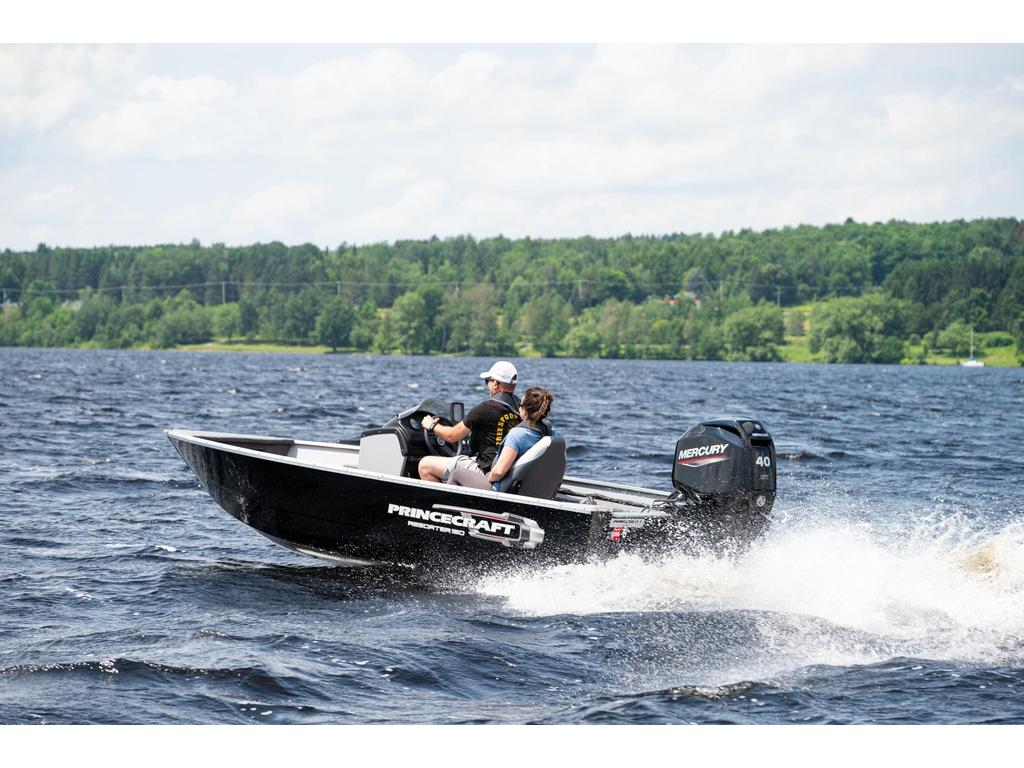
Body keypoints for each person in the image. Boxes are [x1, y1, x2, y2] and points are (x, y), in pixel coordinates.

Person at [418, 361, 522, 483]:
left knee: (425, 466)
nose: (487, 385)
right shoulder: (521, 409)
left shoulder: (485, 408)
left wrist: (431, 425)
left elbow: (452, 435)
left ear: (496, 384)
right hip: (505, 470)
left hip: (485, 470)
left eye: (487, 381)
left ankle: (442, 496)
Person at [447, 386, 555, 492]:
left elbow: (499, 472)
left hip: (501, 490)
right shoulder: (549, 432)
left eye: (520, 405)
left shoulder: (517, 434)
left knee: (457, 473)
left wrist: (489, 477)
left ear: (524, 409)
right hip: (526, 485)